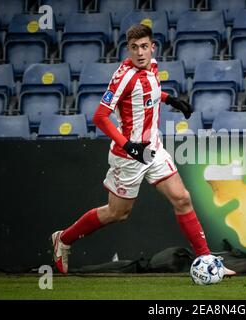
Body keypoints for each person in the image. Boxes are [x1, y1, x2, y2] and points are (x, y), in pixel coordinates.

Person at [51, 24, 236, 277]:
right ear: (128, 49)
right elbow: (100, 116)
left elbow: (148, 92)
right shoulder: (124, 76)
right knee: (118, 213)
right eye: (135, 48)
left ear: (153, 47)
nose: (140, 53)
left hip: (153, 148)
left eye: (145, 47)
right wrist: (129, 146)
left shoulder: (152, 65)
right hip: (128, 155)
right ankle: (64, 239)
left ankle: (208, 261)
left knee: (182, 198)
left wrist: (170, 100)